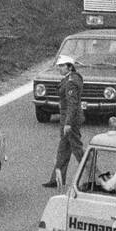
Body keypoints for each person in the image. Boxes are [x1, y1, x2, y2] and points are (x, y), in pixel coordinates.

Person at [44, 54, 84, 187]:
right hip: (67, 119)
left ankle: (94, 176)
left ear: (69, 67)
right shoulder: (70, 79)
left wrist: (68, 123)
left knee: (78, 150)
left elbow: (72, 104)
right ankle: (56, 179)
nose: (59, 68)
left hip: (69, 121)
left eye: (62, 66)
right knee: (63, 150)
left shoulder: (71, 82)